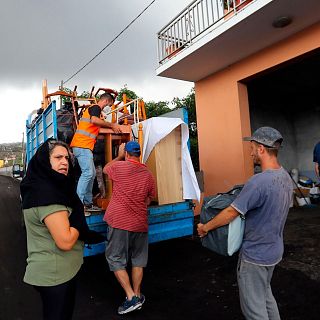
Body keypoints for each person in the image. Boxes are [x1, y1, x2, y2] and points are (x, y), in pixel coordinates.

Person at [197, 127, 293, 320]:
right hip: (274, 252)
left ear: (261, 149)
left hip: (255, 257)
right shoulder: (285, 177)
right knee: (266, 296)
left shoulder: (258, 182)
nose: (250, 152)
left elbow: (232, 212)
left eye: (252, 148)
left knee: (254, 310)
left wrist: (205, 227)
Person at [20, 139, 104, 320]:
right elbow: (65, 241)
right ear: (45, 160)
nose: (65, 162)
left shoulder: (45, 187)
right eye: (58, 157)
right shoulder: (47, 195)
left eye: (66, 157)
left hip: (60, 271)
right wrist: (78, 216)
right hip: (55, 275)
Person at [103, 141, 156, 315]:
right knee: (138, 260)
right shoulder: (148, 174)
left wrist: (118, 155)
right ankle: (138, 295)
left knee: (115, 258)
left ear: (126, 153)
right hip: (140, 222)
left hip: (119, 220)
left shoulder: (119, 167)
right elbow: (149, 199)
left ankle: (131, 297)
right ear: (139, 154)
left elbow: (105, 169)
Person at [70, 93, 122, 212]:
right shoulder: (96, 108)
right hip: (82, 145)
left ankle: (88, 203)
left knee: (91, 174)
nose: (108, 107)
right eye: (110, 105)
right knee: (88, 173)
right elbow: (94, 120)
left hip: (84, 146)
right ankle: (78, 205)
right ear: (107, 101)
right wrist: (112, 125)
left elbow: (94, 124)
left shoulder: (95, 111)